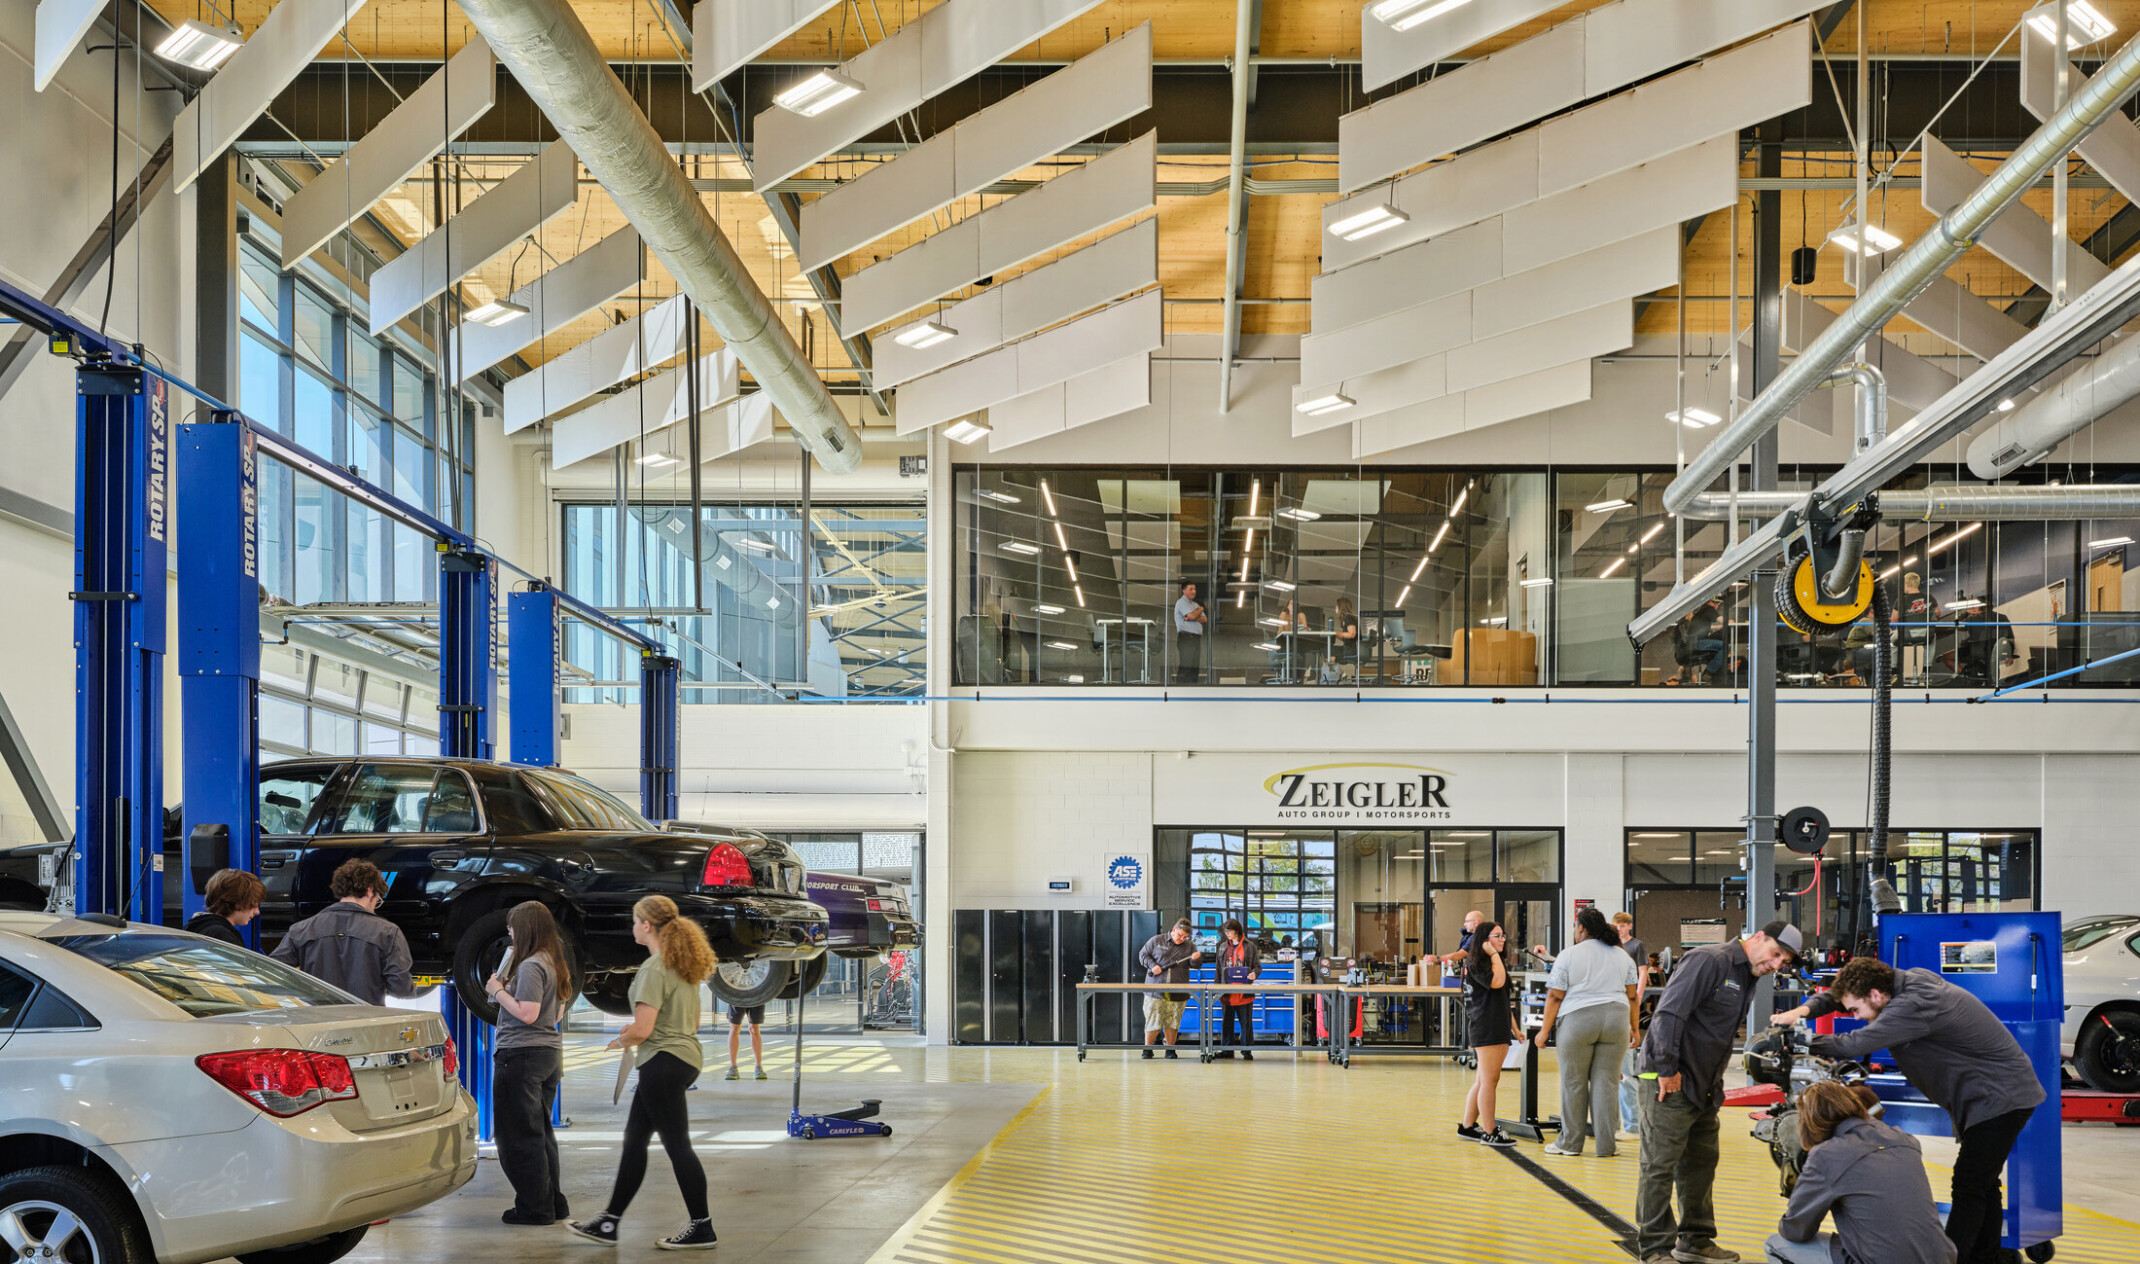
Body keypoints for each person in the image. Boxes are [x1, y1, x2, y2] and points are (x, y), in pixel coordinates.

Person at [1778, 957, 2045, 1264]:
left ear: (1876, 995)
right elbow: (1840, 995)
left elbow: (1855, 1043)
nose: (1856, 1016)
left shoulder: (1914, 1004)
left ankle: (1956, 1259)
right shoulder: (1904, 981)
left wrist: (1803, 1041)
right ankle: (1988, 1256)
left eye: (1856, 1011)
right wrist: (1803, 1010)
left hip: (2000, 1097)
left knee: (1969, 1182)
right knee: (1984, 1181)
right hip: (1993, 1095)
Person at [1634, 921, 1804, 1264]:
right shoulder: (1710, 961)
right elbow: (1669, 1014)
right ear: (1758, 938)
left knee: (1701, 1162)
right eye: (1774, 954)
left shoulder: (1747, 977)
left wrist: (1715, 1083)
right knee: (1659, 1165)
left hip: (1704, 1084)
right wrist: (1666, 1070)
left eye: (1782, 962)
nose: (1775, 965)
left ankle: (1695, 1239)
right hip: (1669, 1078)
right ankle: (1654, 1248)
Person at [567, 896, 719, 1250]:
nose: (632, 927)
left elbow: (644, 1029)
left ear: (647, 926)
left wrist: (621, 1039)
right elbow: (693, 1022)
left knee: (677, 1144)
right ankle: (609, 1222)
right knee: (635, 1140)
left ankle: (702, 1227)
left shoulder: (653, 968)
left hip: (662, 1062)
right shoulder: (682, 966)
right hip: (684, 1058)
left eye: (635, 921)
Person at [1765, 1080, 1957, 1264]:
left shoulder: (1827, 1155)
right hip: (1942, 1258)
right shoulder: (1903, 1139)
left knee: (1776, 1244)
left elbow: (1795, 1231)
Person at [486, 901, 573, 1227]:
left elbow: (528, 1013)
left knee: (518, 1137)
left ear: (525, 930)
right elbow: (557, 1012)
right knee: (540, 1133)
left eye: (512, 927)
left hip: (521, 1056)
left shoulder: (531, 966)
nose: (509, 933)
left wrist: (497, 991)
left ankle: (534, 1209)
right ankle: (552, 1203)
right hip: (549, 1055)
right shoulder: (556, 962)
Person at [1532, 908, 1640, 1157]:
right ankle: (1606, 1146)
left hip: (1579, 1020)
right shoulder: (1623, 956)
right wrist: (1634, 1028)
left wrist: (1544, 1031)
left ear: (1581, 928)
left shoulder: (1569, 955)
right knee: (1608, 1084)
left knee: (1574, 1083)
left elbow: (1555, 995)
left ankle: (1570, 1144)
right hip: (1617, 1021)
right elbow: (1632, 996)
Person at [270, 859, 414, 1005]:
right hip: (368, 1022)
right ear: (370, 890)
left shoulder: (301, 930)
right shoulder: (388, 933)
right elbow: (401, 989)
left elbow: (270, 974)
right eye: (378, 900)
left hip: (316, 1023)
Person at [1456, 920, 1517, 1147]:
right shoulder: (1478, 965)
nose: (1502, 940)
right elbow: (1497, 982)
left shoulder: (1494, 962)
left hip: (1498, 1025)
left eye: (1503, 935)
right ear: (1484, 941)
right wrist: (1493, 954)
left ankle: (1468, 1125)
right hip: (1486, 1026)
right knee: (1489, 1081)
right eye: (1496, 936)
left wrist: (1515, 1028)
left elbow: (1502, 998)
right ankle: (1489, 1131)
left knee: (1483, 1080)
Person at [1138, 917, 1202, 1059]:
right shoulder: (1156, 940)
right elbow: (1142, 955)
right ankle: (1147, 1049)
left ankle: (1170, 1049)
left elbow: (1196, 966)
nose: (1182, 939)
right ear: (1174, 930)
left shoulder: (1190, 946)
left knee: (1173, 1021)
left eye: (1185, 937)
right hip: (1156, 990)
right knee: (1153, 1020)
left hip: (1178, 991)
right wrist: (1152, 965)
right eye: (1180, 935)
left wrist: (1196, 958)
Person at [1615, 911, 1651, 1139]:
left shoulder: (1637, 946)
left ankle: (1633, 1126)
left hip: (1628, 1005)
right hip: (1615, 1005)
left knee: (1627, 1072)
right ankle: (1622, 1124)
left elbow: (1642, 972)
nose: (1619, 929)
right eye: (1616, 925)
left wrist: (1637, 998)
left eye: (1622, 926)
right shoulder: (1612, 947)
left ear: (1629, 926)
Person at [1214, 918, 1261, 1060]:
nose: (1226, 934)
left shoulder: (1249, 946)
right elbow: (1218, 970)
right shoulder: (1222, 947)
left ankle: (1246, 1051)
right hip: (1226, 992)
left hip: (1244, 992)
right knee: (1226, 1022)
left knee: (1246, 1022)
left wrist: (1255, 974)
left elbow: (1257, 967)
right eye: (1225, 931)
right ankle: (1227, 1051)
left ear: (1237, 931)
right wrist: (1216, 989)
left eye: (1229, 931)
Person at [186, 869, 266, 947]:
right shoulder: (223, 937)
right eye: (254, 905)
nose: (257, 912)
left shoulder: (199, 927)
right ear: (238, 903)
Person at [1173, 579, 1207, 684]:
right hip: (1186, 637)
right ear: (1184, 591)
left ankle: (1192, 689)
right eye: (1191, 589)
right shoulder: (1181, 602)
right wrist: (1200, 610)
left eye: (1194, 589)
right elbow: (1192, 615)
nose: (1194, 591)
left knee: (1194, 667)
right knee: (1186, 665)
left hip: (1196, 639)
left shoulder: (1195, 604)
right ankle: (1181, 689)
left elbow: (1204, 620)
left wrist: (1192, 617)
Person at [725, 1002, 766, 1080]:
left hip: (756, 996)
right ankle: (733, 1067)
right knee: (735, 1028)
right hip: (737, 996)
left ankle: (758, 1067)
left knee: (754, 1028)